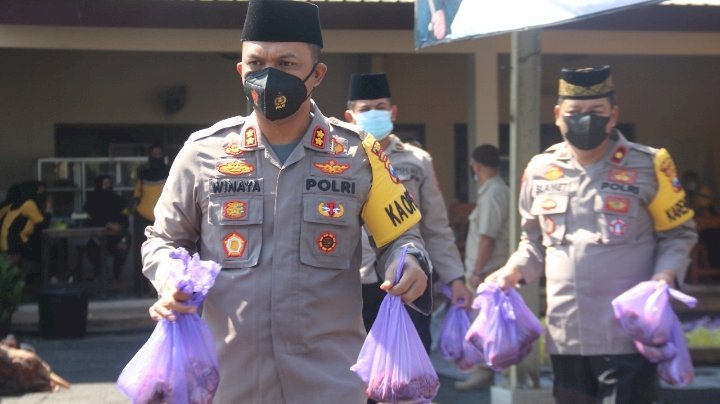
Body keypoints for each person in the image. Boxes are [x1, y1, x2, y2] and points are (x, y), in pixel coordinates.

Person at [142, 1, 432, 402]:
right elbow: (162, 240)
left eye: (287, 63)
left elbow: (400, 238)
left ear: (317, 75)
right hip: (228, 382)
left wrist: (410, 261)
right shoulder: (202, 153)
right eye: (257, 62)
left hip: (329, 382)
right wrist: (171, 277)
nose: (269, 75)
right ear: (241, 71)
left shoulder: (359, 154)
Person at [487, 65, 698, 403]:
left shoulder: (650, 165)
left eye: (596, 112)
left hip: (630, 335)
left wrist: (665, 275)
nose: (586, 119)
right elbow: (533, 243)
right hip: (565, 334)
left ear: (613, 116)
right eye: (575, 112)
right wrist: (511, 271)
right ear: (558, 115)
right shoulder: (540, 170)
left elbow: (678, 234)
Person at [345, 72, 472, 353]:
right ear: (350, 116)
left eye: (380, 107)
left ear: (393, 111)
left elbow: (436, 226)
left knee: (408, 379)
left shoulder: (418, 161)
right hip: (355, 285)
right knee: (357, 375)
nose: (374, 113)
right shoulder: (339, 161)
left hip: (407, 278)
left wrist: (456, 279)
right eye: (365, 109)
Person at [454, 144, 509, 391]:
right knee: (486, 323)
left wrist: (476, 272)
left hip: (488, 272)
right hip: (488, 271)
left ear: (475, 165)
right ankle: (486, 370)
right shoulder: (494, 190)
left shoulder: (494, 192)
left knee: (486, 323)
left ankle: (487, 371)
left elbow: (487, 237)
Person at [132, 144, 169, 294]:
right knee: (143, 255)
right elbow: (136, 195)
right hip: (143, 218)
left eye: (159, 154)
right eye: (154, 154)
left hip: (165, 218)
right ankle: (141, 290)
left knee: (166, 253)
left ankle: (164, 289)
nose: (156, 157)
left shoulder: (170, 171)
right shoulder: (143, 173)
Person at [83, 175, 129, 282]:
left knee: (122, 249)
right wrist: (106, 225)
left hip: (116, 238)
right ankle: (99, 277)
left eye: (109, 184)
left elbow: (124, 223)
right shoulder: (92, 201)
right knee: (92, 251)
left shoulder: (118, 200)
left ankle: (116, 277)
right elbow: (89, 222)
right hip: (97, 238)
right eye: (104, 184)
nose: (107, 187)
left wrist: (122, 237)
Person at [0, 181, 52, 272]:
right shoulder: (28, 204)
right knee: (43, 253)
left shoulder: (20, 203)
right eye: (39, 191)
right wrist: (48, 207)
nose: (42, 194)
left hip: (12, 240)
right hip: (13, 241)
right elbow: (43, 224)